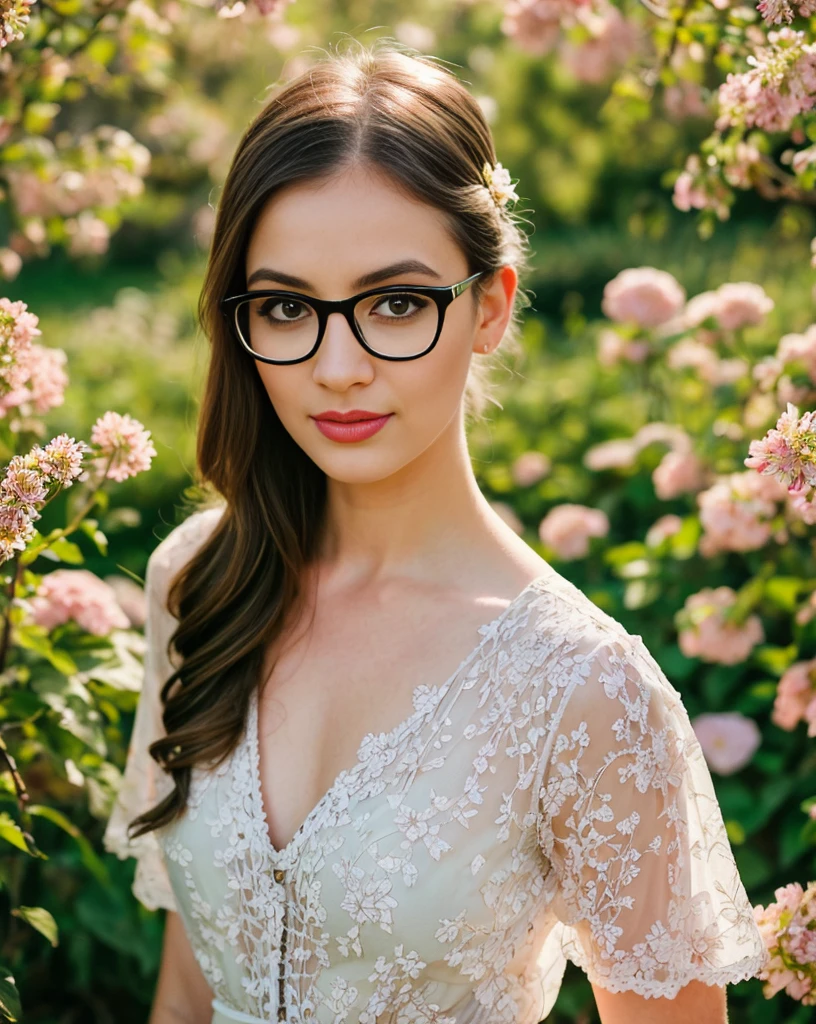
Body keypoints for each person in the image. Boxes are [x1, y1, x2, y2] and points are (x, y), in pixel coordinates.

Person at [102, 38, 769, 1024]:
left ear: (489, 305)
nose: (337, 366)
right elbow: (190, 984)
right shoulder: (197, 581)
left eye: (397, 302)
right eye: (287, 307)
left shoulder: (583, 691)